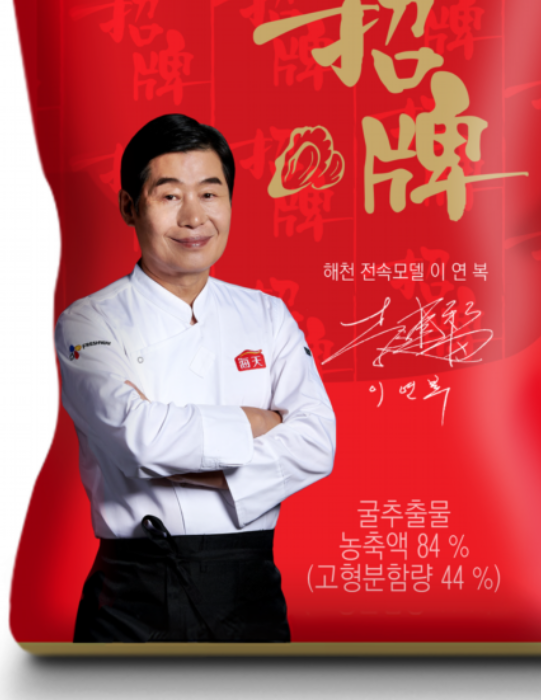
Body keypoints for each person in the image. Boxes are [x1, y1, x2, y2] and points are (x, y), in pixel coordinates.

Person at [56, 113, 337, 643]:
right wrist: (261, 423)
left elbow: (318, 443)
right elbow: (138, 440)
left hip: (248, 587)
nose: (193, 217)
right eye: (169, 196)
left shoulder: (268, 315)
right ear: (129, 206)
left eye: (210, 194)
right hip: (131, 596)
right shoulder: (89, 321)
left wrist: (171, 452)